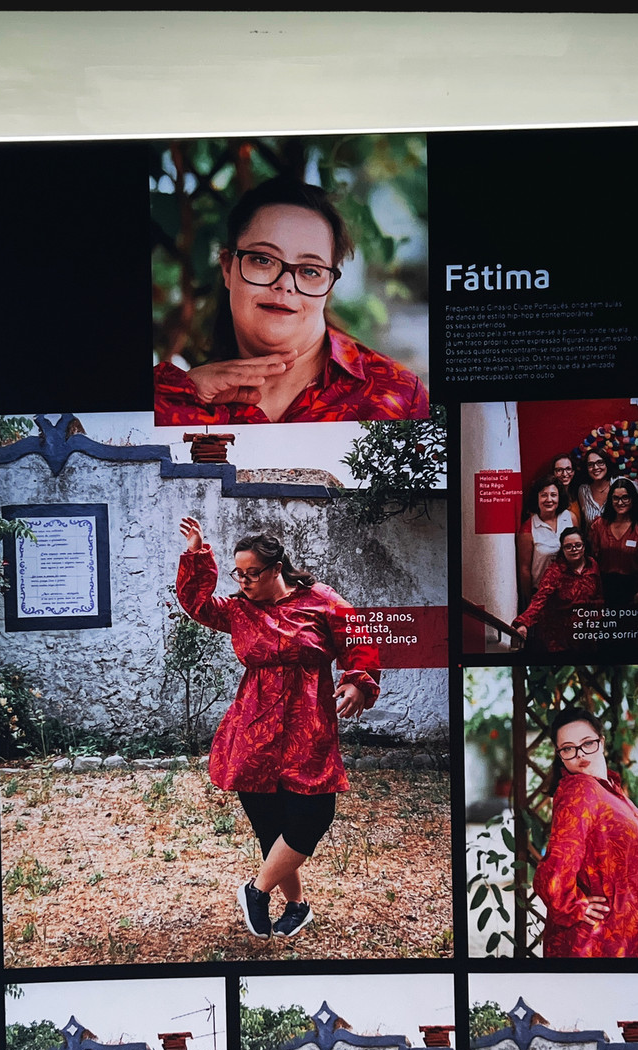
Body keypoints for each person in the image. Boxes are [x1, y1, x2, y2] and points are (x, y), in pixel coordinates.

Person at [175, 516, 380, 940]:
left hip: (308, 723)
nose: (244, 582)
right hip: (254, 725)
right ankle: (297, 905)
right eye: (239, 573)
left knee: (313, 815)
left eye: (252, 573)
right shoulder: (239, 611)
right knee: (271, 823)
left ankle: (256, 891)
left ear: (276, 569)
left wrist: (358, 681)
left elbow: (359, 638)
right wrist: (197, 554)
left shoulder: (321, 600)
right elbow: (196, 604)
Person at [154, 177, 429, 425]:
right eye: (263, 260)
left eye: (310, 270)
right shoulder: (181, 399)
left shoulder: (397, 397)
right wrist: (178, 392)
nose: (285, 285)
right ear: (227, 268)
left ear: (329, 286)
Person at [532, 707, 638, 958]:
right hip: (601, 936)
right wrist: (574, 906)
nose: (580, 754)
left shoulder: (610, 788)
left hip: (628, 926)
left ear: (601, 742)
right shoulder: (581, 789)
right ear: (560, 755)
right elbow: (554, 874)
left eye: (587, 743)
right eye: (568, 748)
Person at [512, 526, 603, 655]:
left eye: (578, 545)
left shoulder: (592, 564)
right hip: (559, 637)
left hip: (586, 634)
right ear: (562, 549)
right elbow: (540, 600)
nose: (574, 550)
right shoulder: (554, 572)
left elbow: (598, 596)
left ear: (584, 546)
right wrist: (523, 623)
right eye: (568, 546)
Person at [589, 476, 638, 614]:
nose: (620, 502)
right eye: (616, 498)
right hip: (604, 587)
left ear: (632, 499)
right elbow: (591, 559)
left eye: (625, 497)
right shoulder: (599, 525)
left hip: (633, 587)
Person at [516, 474, 581, 606]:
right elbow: (524, 570)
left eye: (553, 495)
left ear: (559, 497)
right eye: (544, 495)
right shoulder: (528, 528)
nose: (549, 499)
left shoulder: (571, 518)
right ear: (537, 498)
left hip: (571, 590)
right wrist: (530, 603)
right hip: (542, 595)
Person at [576, 447, 614, 527]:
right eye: (590, 464)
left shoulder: (622, 484)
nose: (596, 467)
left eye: (600, 462)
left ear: (607, 463)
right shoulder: (583, 490)